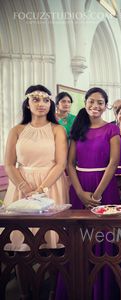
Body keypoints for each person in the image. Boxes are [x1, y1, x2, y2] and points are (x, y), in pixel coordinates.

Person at [4, 85, 69, 297]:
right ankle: (24, 292)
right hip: (21, 185)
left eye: (45, 100)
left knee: (51, 241)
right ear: (27, 103)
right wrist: (25, 187)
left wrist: (41, 189)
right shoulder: (17, 130)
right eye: (36, 99)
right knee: (20, 243)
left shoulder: (57, 129)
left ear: (50, 104)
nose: (41, 104)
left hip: (51, 185)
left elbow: (61, 163)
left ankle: (49, 289)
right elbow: (10, 164)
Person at [65, 87, 120, 299]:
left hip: (104, 187)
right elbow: (70, 164)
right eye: (91, 101)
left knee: (104, 236)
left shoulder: (111, 129)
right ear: (85, 102)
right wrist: (79, 192)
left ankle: (105, 286)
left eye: (100, 103)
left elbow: (113, 162)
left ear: (106, 106)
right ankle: (79, 286)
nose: (95, 106)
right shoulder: (78, 129)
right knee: (79, 237)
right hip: (80, 184)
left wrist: (97, 195)